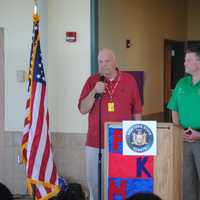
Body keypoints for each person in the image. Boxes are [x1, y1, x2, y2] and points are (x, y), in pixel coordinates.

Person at [78, 48, 142, 200]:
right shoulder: (92, 81)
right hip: (95, 142)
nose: (103, 65)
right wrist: (94, 91)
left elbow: (137, 111)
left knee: (119, 183)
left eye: (107, 61)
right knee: (94, 183)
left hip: (121, 142)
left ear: (115, 62)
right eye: (100, 61)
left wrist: (137, 138)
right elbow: (82, 109)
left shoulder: (129, 80)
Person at [167, 45, 200, 200]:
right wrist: (179, 130)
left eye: (189, 60)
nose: (184, 63)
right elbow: (174, 108)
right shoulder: (181, 83)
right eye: (185, 60)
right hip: (184, 139)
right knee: (187, 182)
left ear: (199, 63)